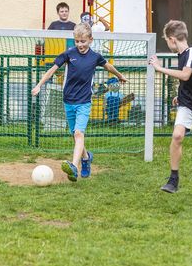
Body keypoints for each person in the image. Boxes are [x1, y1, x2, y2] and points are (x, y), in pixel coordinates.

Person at [32, 23, 127, 182]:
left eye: (83, 41)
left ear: (90, 39)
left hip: (84, 101)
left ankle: (74, 167)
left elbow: (108, 66)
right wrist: (39, 85)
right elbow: (52, 70)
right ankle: (86, 157)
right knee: (74, 135)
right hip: (68, 101)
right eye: (77, 41)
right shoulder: (69, 54)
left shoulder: (95, 57)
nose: (80, 45)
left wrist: (120, 76)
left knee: (78, 133)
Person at [149, 20, 192, 194]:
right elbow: (188, 81)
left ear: (172, 39)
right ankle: (173, 179)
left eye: (166, 41)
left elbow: (186, 75)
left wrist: (159, 68)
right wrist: (180, 95)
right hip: (186, 103)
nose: (168, 44)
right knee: (177, 135)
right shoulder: (181, 55)